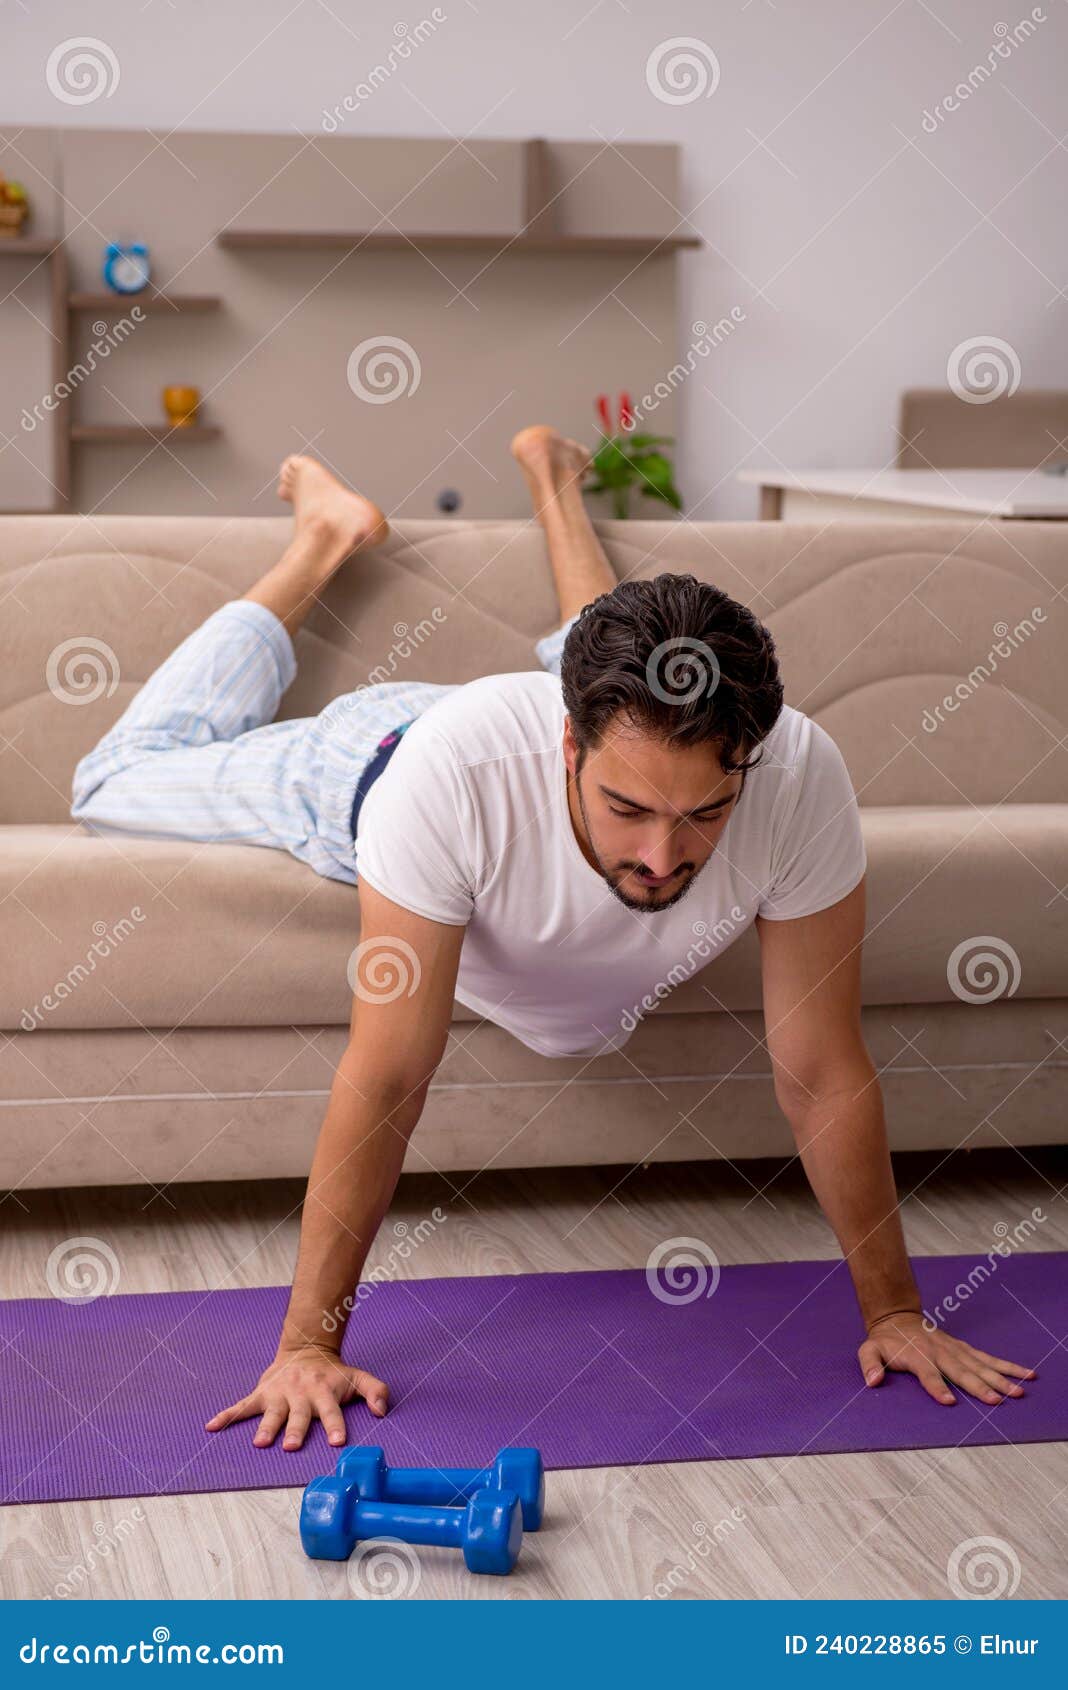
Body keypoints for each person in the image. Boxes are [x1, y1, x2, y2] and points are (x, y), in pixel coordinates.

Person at [71, 427, 1036, 1452]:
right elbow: (389, 1074)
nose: (665, 856)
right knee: (114, 780)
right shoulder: (450, 783)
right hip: (368, 761)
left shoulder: (797, 777)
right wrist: (308, 1343)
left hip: (534, 738)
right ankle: (322, 535)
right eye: (628, 808)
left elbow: (821, 1067)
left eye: (706, 814)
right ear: (570, 743)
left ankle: (554, 482)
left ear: (750, 757)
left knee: (621, 672)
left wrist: (894, 1312)